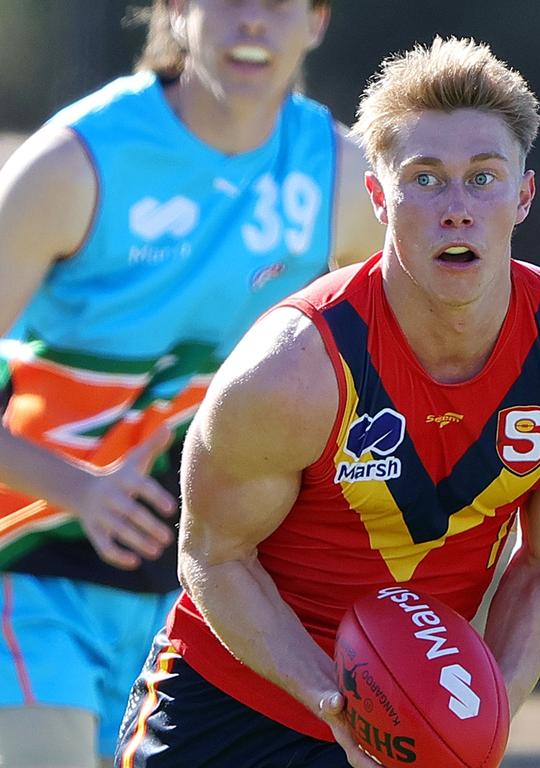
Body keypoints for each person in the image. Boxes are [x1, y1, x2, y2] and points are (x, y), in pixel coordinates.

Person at [113, 35, 540, 768]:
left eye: (483, 178)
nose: (456, 209)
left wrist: (479, 718)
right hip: (228, 707)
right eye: (425, 179)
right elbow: (212, 556)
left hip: (409, 727)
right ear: (377, 195)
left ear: (524, 195)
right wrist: (336, 703)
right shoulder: (292, 371)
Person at [0, 1, 382, 765]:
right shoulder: (76, 162)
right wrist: (77, 488)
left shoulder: (342, 177)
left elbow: (407, 368)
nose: (253, 24)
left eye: (280, 5)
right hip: (32, 571)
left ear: (316, 20)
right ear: (177, 9)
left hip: (210, 592)